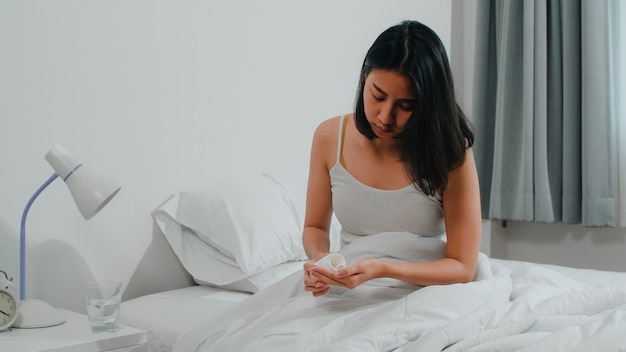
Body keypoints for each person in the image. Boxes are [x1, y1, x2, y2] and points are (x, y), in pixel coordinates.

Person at [302, 20, 482, 297]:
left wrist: (384, 269)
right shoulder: (329, 138)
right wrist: (321, 262)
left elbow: (462, 266)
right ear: (364, 76)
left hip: (425, 291)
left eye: (406, 105)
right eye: (378, 95)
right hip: (349, 286)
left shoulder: (450, 152)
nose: (386, 117)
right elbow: (314, 227)